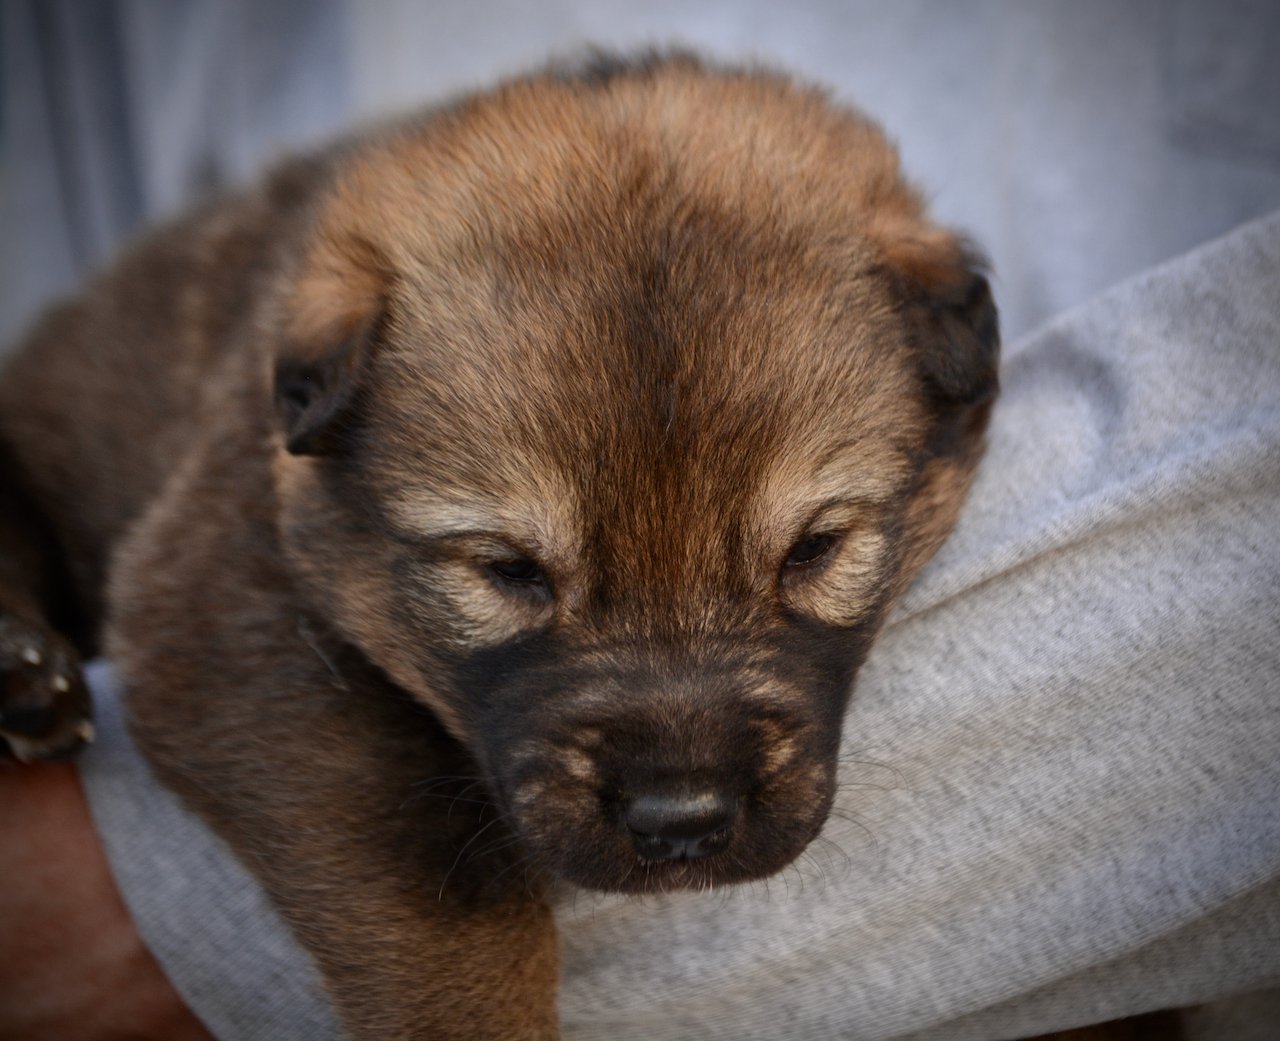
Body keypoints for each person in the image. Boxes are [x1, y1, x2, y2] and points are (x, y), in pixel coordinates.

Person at [2, 4, 1279, 1039]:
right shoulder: (363, 337)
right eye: (511, 571)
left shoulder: (888, 291)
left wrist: (157, 910)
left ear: (956, 369)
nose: (679, 788)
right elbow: (212, 647)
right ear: (316, 426)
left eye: (807, 553)